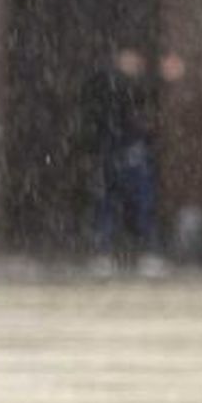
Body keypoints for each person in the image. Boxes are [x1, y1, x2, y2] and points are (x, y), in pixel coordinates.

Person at [79, 45, 170, 276]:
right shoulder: (109, 86)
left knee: (141, 206)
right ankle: (105, 253)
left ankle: (147, 252)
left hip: (132, 155)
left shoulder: (139, 89)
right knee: (108, 206)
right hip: (114, 154)